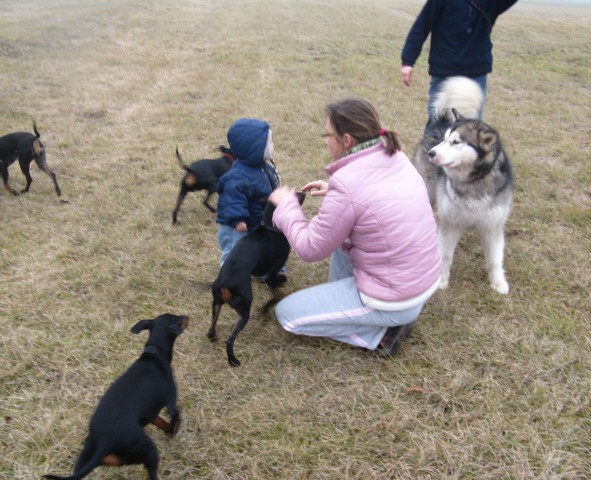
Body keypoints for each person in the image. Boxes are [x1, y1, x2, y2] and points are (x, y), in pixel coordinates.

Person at [268, 98, 441, 356]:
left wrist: (286, 207)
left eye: (328, 135)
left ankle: (380, 331)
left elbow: (309, 249)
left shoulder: (349, 185)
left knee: (287, 315)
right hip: (421, 281)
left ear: (346, 140)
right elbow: (375, 200)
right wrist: (336, 195)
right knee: (339, 230)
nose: (326, 141)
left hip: (394, 299)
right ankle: (368, 313)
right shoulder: (395, 155)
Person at [400, 0, 519, 127]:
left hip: (475, 76)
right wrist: (408, 61)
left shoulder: (490, 3)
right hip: (444, 74)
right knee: (437, 127)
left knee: (470, 129)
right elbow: (421, 26)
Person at [216, 118, 280, 266]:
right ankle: (228, 275)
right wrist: (238, 219)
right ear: (255, 148)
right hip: (236, 226)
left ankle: (264, 270)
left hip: (255, 220)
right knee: (234, 252)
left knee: (255, 248)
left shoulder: (262, 167)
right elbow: (231, 199)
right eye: (269, 143)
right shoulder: (237, 176)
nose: (273, 145)